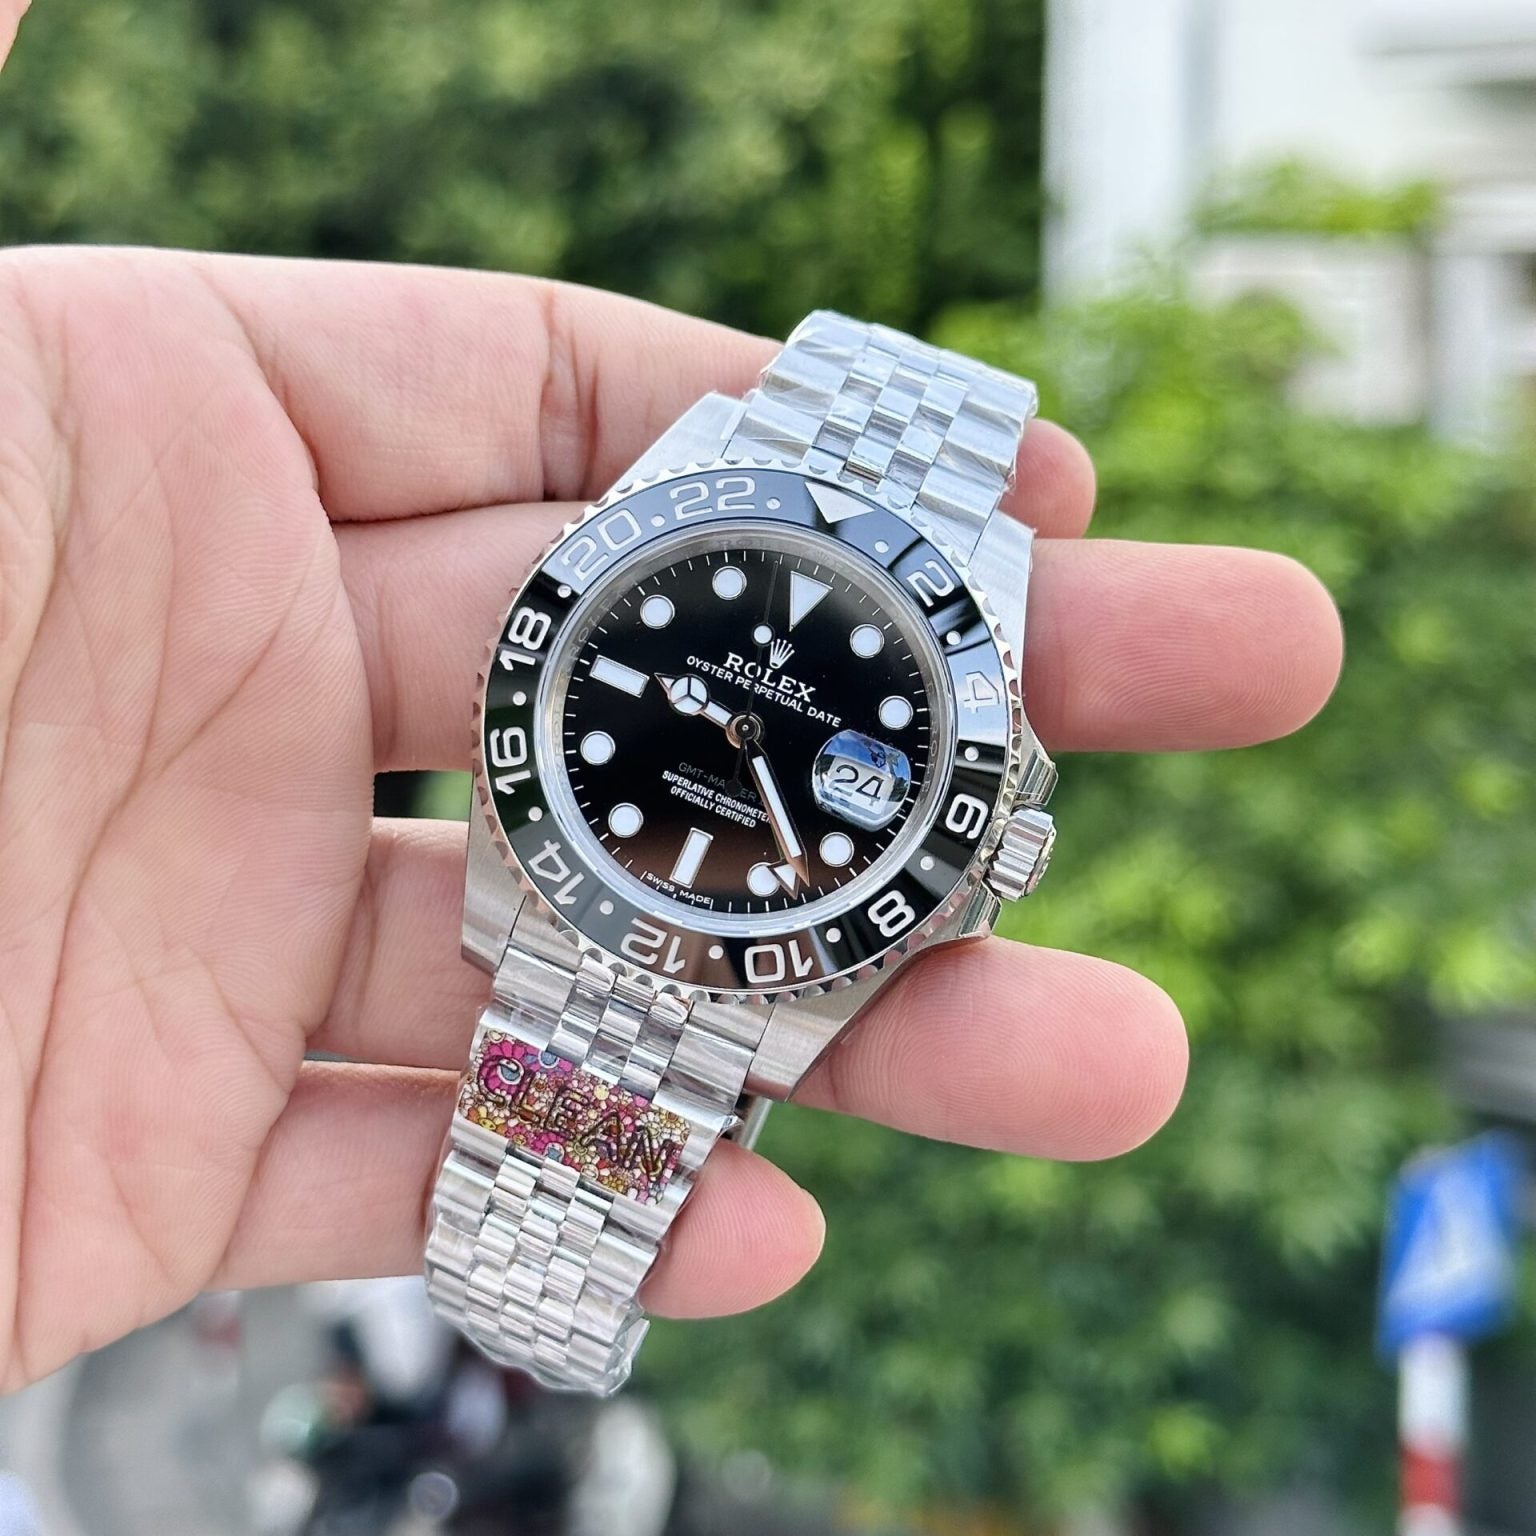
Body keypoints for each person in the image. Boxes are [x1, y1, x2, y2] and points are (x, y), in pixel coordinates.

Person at [0, 11, 1342, 1403]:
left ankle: (535, 1293)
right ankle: (530, 1293)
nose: (750, 731)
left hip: (681, 927)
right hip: (610, 897)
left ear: (984, 849)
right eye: (734, 715)